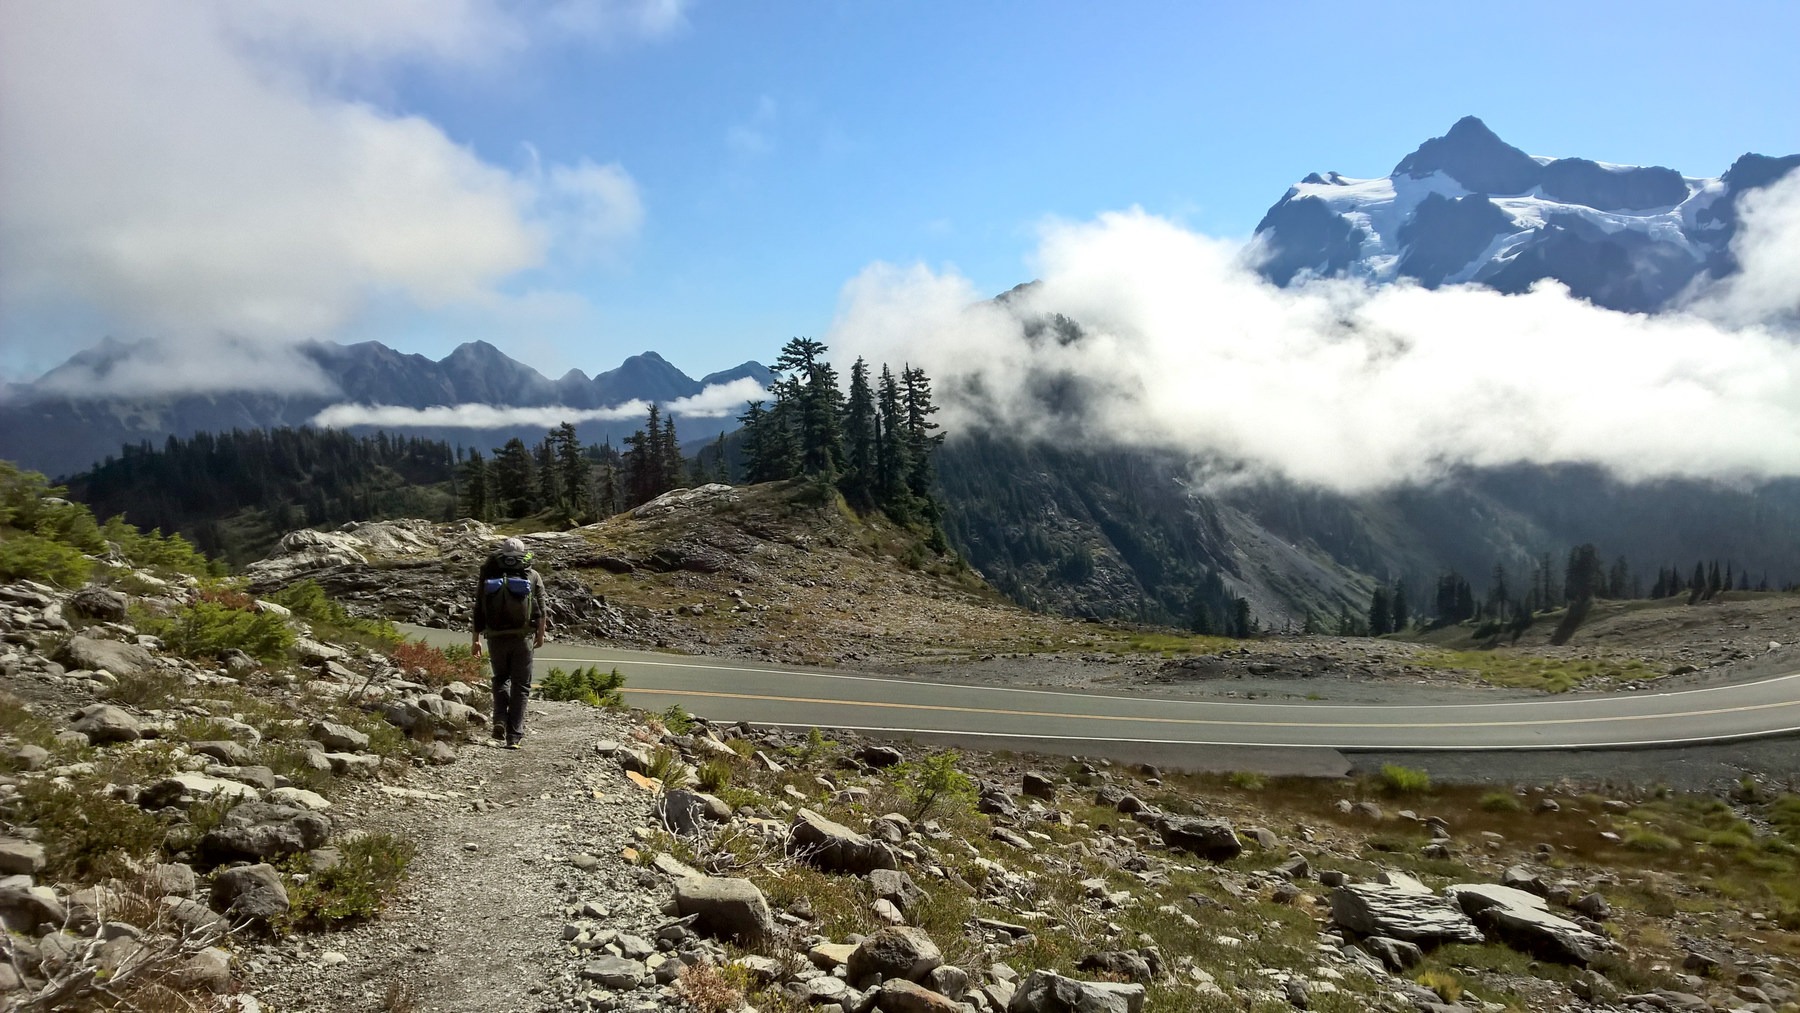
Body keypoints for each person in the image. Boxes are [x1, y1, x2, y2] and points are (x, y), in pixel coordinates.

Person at [472, 537, 546, 749]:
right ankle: (514, 736)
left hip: (495, 637)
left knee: (500, 679)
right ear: (523, 553)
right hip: (523, 638)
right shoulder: (531, 574)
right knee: (521, 685)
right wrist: (540, 635)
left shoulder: (489, 574)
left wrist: (475, 640)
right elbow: (541, 608)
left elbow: (478, 607)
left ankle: (499, 720)